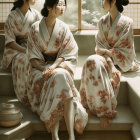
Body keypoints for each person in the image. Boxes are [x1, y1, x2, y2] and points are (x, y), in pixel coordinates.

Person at [26, 0, 88, 140]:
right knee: (59, 78)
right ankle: (59, 135)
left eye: (63, 4)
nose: (62, 8)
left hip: (58, 66)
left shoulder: (64, 28)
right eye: (58, 4)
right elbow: (32, 56)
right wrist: (44, 68)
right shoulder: (35, 28)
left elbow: (69, 53)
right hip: (40, 69)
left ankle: (64, 135)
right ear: (49, 6)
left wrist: (53, 67)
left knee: (59, 75)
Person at [80, 0, 139, 128]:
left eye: (104, 0)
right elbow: (99, 46)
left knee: (106, 71)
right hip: (106, 58)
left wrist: (108, 55)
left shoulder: (127, 22)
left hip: (120, 60)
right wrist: (109, 60)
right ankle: (87, 105)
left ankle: (105, 111)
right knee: (90, 61)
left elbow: (125, 49)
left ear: (113, 2)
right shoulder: (102, 21)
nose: (101, 2)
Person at [1, 0, 41, 106]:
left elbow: (40, 35)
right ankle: (25, 95)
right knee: (25, 61)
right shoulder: (12, 16)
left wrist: (33, 49)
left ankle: (38, 94)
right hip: (15, 50)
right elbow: (10, 41)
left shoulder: (36, 14)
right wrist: (24, 50)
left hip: (32, 47)